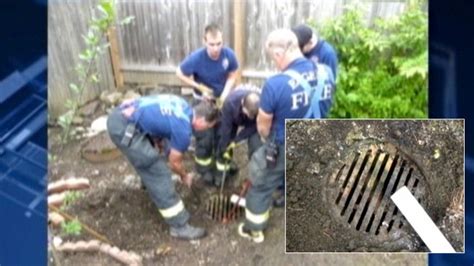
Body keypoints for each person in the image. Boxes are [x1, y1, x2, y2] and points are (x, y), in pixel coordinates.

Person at [238, 29, 328, 243]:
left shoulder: (275, 84)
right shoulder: (326, 72)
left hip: (285, 145)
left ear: (278, 54)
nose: (275, 64)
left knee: (260, 183)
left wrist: (266, 142)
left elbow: (262, 126)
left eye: (273, 59)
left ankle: (254, 229)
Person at [107, 94, 218, 240]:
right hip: (123, 127)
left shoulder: (183, 105)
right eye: (208, 126)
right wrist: (184, 175)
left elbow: (161, 122)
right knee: (159, 172)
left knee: (150, 159)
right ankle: (179, 226)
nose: (206, 130)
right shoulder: (183, 130)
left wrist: (160, 143)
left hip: (124, 115)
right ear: (201, 121)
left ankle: (148, 184)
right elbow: (174, 163)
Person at [176, 23, 239, 184]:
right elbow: (179, 72)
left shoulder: (228, 55)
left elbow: (233, 73)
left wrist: (225, 93)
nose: (216, 48)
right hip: (203, 103)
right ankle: (204, 169)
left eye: (219, 43)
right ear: (204, 41)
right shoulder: (197, 58)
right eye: (212, 44)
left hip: (223, 101)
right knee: (204, 137)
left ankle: (222, 168)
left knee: (223, 135)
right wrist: (198, 87)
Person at [214, 84, 263, 186]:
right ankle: (223, 172)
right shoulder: (230, 103)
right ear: (242, 103)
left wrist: (238, 139)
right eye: (248, 114)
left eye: (252, 115)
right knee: (224, 141)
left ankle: (255, 177)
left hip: (255, 123)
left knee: (256, 147)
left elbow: (255, 126)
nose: (250, 117)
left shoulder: (263, 105)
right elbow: (226, 128)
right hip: (234, 115)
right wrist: (225, 146)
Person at [292, 24, 338, 118]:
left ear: (310, 42)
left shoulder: (327, 54)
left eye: (300, 48)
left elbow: (329, 84)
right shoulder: (303, 47)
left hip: (315, 103)